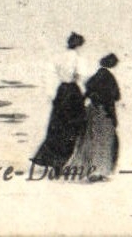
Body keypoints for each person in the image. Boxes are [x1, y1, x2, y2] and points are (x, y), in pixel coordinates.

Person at [32, 33, 87, 173]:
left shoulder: (58, 57)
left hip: (61, 91)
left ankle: (54, 161)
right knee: (73, 127)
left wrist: (51, 94)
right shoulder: (77, 58)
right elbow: (79, 76)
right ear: (79, 45)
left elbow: (50, 74)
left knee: (58, 126)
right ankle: (64, 162)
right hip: (73, 92)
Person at [64, 54, 121, 181]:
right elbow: (116, 96)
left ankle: (88, 170)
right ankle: (98, 171)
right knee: (104, 141)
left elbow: (88, 91)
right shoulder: (109, 77)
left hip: (93, 111)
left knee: (90, 140)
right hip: (104, 113)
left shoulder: (96, 76)